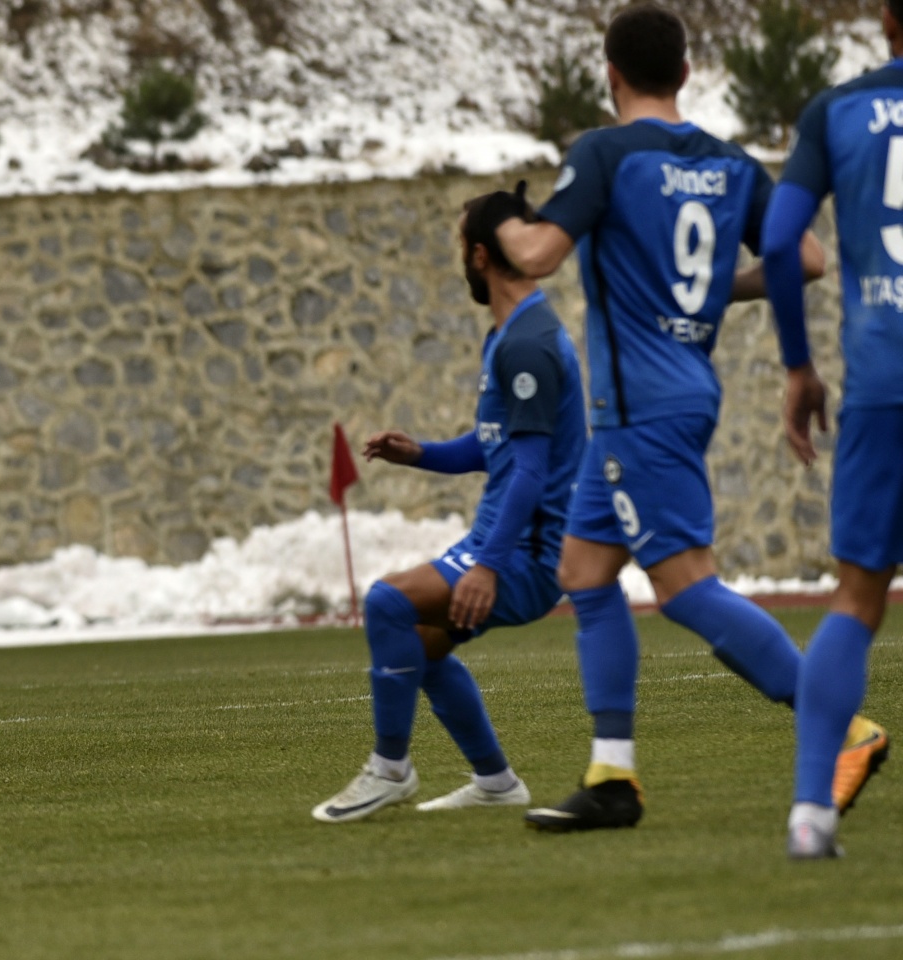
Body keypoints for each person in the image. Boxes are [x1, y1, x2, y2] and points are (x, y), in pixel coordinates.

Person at [497, 1, 885, 832]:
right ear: (684, 73)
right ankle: (611, 778)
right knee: (584, 572)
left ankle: (845, 726)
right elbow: (805, 258)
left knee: (683, 586)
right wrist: (709, 294)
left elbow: (533, 255)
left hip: (641, 405)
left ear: (610, 75)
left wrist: (498, 215)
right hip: (666, 397)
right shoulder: (726, 161)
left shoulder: (604, 153)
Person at [312, 184, 587, 823]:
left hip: (527, 553)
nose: (459, 257)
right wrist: (424, 454)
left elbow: (528, 470)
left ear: (483, 255)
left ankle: (389, 769)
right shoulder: (514, 333)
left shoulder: (526, 345)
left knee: (387, 604)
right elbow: (498, 445)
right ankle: (494, 781)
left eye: (462, 245)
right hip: (506, 540)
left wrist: (488, 565)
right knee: (422, 646)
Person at [760, 1, 903, 859]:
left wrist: (798, 366)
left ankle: (811, 811)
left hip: (885, 379)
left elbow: (781, 242)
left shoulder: (835, 111)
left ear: (886, 18)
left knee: (856, 598)